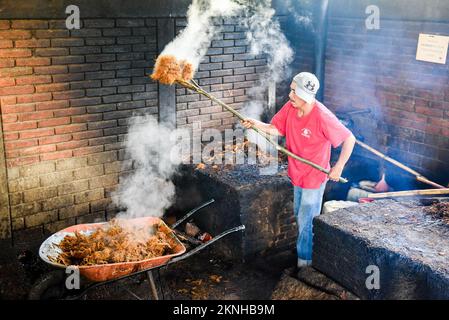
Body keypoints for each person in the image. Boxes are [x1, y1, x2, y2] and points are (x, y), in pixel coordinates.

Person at [242, 72, 356, 268]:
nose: (290, 95)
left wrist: (338, 167)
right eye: (291, 90)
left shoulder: (322, 116)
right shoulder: (291, 108)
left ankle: (305, 264)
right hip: (297, 173)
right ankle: (306, 254)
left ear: (305, 94)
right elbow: (276, 129)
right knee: (299, 214)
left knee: (306, 221)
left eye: (294, 92)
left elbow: (349, 139)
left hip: (314, 176)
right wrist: (255, 124)